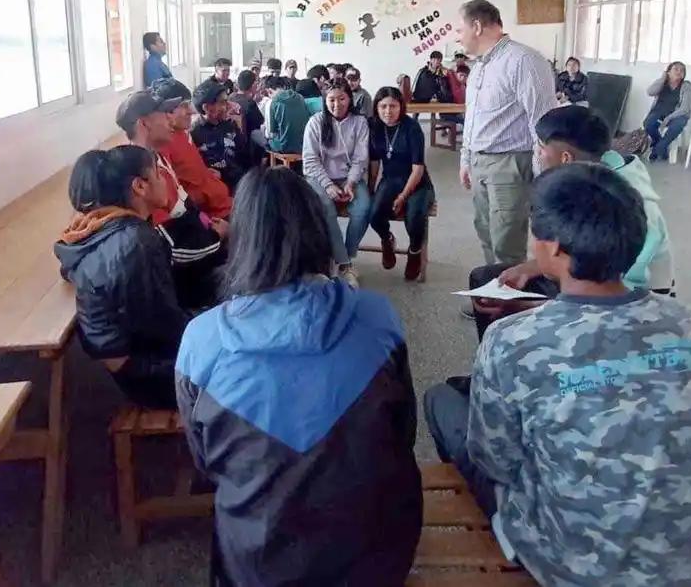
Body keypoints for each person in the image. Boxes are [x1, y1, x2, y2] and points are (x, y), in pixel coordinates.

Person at [424, 162, 691, 587]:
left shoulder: (512, 340)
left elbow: (495, 461)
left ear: (556, 249)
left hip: (568, 565)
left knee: (442, 399)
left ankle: (501, 536)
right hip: (686, 562)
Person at [175, 167, 422, 587]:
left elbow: (205, 460)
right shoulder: (377, 317)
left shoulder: (201, 340)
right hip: (377, 559)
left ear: (242, 237)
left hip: (259, 565)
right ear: (316, 230)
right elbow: (404, 432)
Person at [466, 105, 675, 339]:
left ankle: (528, 365)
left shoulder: (629, 206)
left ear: (566, 158)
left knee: (510, 312)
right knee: (488, 279)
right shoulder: (591, 173)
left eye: (541, 148)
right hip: (592, 274)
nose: (536, 154)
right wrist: (528, 268)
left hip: (633, 303)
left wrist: (535, 311)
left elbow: (617, 299)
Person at [55, 146, 188, 409]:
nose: (165, 182)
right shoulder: (136, 242)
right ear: (140, 186)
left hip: (131, 369)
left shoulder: (98, 229)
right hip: (153, 377)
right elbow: (167, 331)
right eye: (159, 176)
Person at [456, 0, 558, 267]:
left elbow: (543, 122)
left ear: (476, 26)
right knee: (487, 233)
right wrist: (466, 160)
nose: (458, 36)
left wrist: (544, 180)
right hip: (480, 162)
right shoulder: (479, 67)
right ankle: (493, 294)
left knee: (506, 241)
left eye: (460, 29)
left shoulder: (524, 60)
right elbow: (473, 119)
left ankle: (509, 306)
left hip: (509, 164)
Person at [117, 90, 227, 308]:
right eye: (163, 113)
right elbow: (170, 248)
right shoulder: (141, 178)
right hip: (185, 278)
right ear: (145, 123)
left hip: (199, 249)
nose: (170, 118)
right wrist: (217, 236)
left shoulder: (157, 159)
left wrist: (211, 226)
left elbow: (187, 208)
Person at [303, 80, 371, 288]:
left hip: (348, 177)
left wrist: (350, 182)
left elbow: (361, 158)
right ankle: (345, 263)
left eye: (342, 98)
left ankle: (344, 257)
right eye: (331, 99)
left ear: (350, 99)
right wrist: (328, 185)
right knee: (326, 208)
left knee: (364, 207)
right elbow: (310, 160)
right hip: (318, 177)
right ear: (325, 101)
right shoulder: (315, 122)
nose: (337, 104)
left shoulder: (359, 122)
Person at [369, 87, 435, 281]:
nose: (388, 111)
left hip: (417, 182)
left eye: (393, 106)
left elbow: (418, 168)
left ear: (401, 107)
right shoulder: (375, 127)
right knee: (374, 215)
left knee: (414, 218)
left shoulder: (411, 128)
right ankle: (387, 239)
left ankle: (414, 251)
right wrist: (372, 188)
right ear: (376, 108)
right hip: (390, 180)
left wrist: (403, 196)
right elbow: (374, 162)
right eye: (383, 106)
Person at [150, 78, 232, 221]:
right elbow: (177, 203)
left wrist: (206, 175)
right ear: (165, 112)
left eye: (188, 104)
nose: (191, 112)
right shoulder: (162, 145)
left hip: (221, 201)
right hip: (213, 216)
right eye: (183, 105)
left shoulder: (183, 132)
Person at [191, 81, 255, 192]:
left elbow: (246, 158)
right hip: (216, 192)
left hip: (242, 187)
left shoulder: (231, 126)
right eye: (223, 102)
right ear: (206, 108)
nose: (229, 106)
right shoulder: (194, 134)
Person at [645, 60, 691, 161]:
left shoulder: (687, 86)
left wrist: (669, 118)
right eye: (676, 69)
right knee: (648, 124)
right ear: (668, 72)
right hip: (658, 112)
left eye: (682, 71)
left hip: (677, 115)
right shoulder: (662, 83)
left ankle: (657, 150)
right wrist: (662, 79)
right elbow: (650, 92)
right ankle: (662, 147)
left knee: (677, 125)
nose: (679, 72)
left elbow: (685, 109)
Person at [266, 76, 311, 154]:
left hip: (285, 147)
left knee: (267, 141)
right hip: (304, 145)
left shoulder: (273, 102)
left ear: (269, 91)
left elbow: (272, 134)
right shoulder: (300, 97)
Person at [230, 69, 266, 149]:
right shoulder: (250, 103)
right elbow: (260, 123)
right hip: (248, 143)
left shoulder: (231, 97)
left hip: (232, 140)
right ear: (253, 85)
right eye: (256, 82)